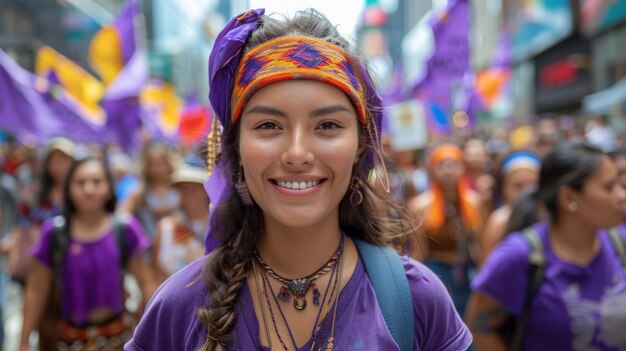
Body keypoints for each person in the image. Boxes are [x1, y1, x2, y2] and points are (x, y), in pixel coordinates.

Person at [126, 8, 472, 351]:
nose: (297, 153)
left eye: (327, 126)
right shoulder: (178, 309)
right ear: (236, 149)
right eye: (268, 126)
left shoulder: (416, 300)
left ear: (360, 145)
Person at [465, 141, 626, 351]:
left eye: (620, 185)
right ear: (568, 197)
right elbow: (480, 327)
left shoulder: (620, 243)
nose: (621, 195)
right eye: (609, 187)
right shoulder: (520, 256)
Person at [19, 157, 156, 351]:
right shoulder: (53, 232)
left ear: (109, 188)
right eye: (80, 183)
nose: (89, 190)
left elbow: (146, 282)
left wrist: (151, 331)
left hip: (118, 339)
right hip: (67, 341)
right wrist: (24, 341)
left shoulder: (125, 228)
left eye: (97, 182)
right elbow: (36, 289)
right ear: (69, 189)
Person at [408, 143, 484, 315]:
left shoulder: (475, 202)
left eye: (453, 164)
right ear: (432, 170)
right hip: (436, 270)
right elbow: (417, 253)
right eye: (441, 165)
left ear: (462, 168)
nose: (448, 170)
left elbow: (482, 248)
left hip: (467, 270)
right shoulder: (420, 206)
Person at [151, 162, 209, 284]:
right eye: (182, 187)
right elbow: (157, 277)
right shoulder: (165, 227)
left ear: (206, 189)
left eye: (193, 186)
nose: (187, 193)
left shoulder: (220, 227)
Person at [480, 150, 540, 260]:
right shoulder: (499, 222)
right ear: (503, 187)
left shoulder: (551, 219)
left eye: (533, 185)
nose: (527, 192)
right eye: (518, 186)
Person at [119, 142, 180, 241]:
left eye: (160, 163)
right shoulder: (140, 191)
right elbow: (121, 214)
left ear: (168, 163)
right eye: (151, 164)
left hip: (176, 245)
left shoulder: (179, 186)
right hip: (150, 247)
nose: (156, 169)